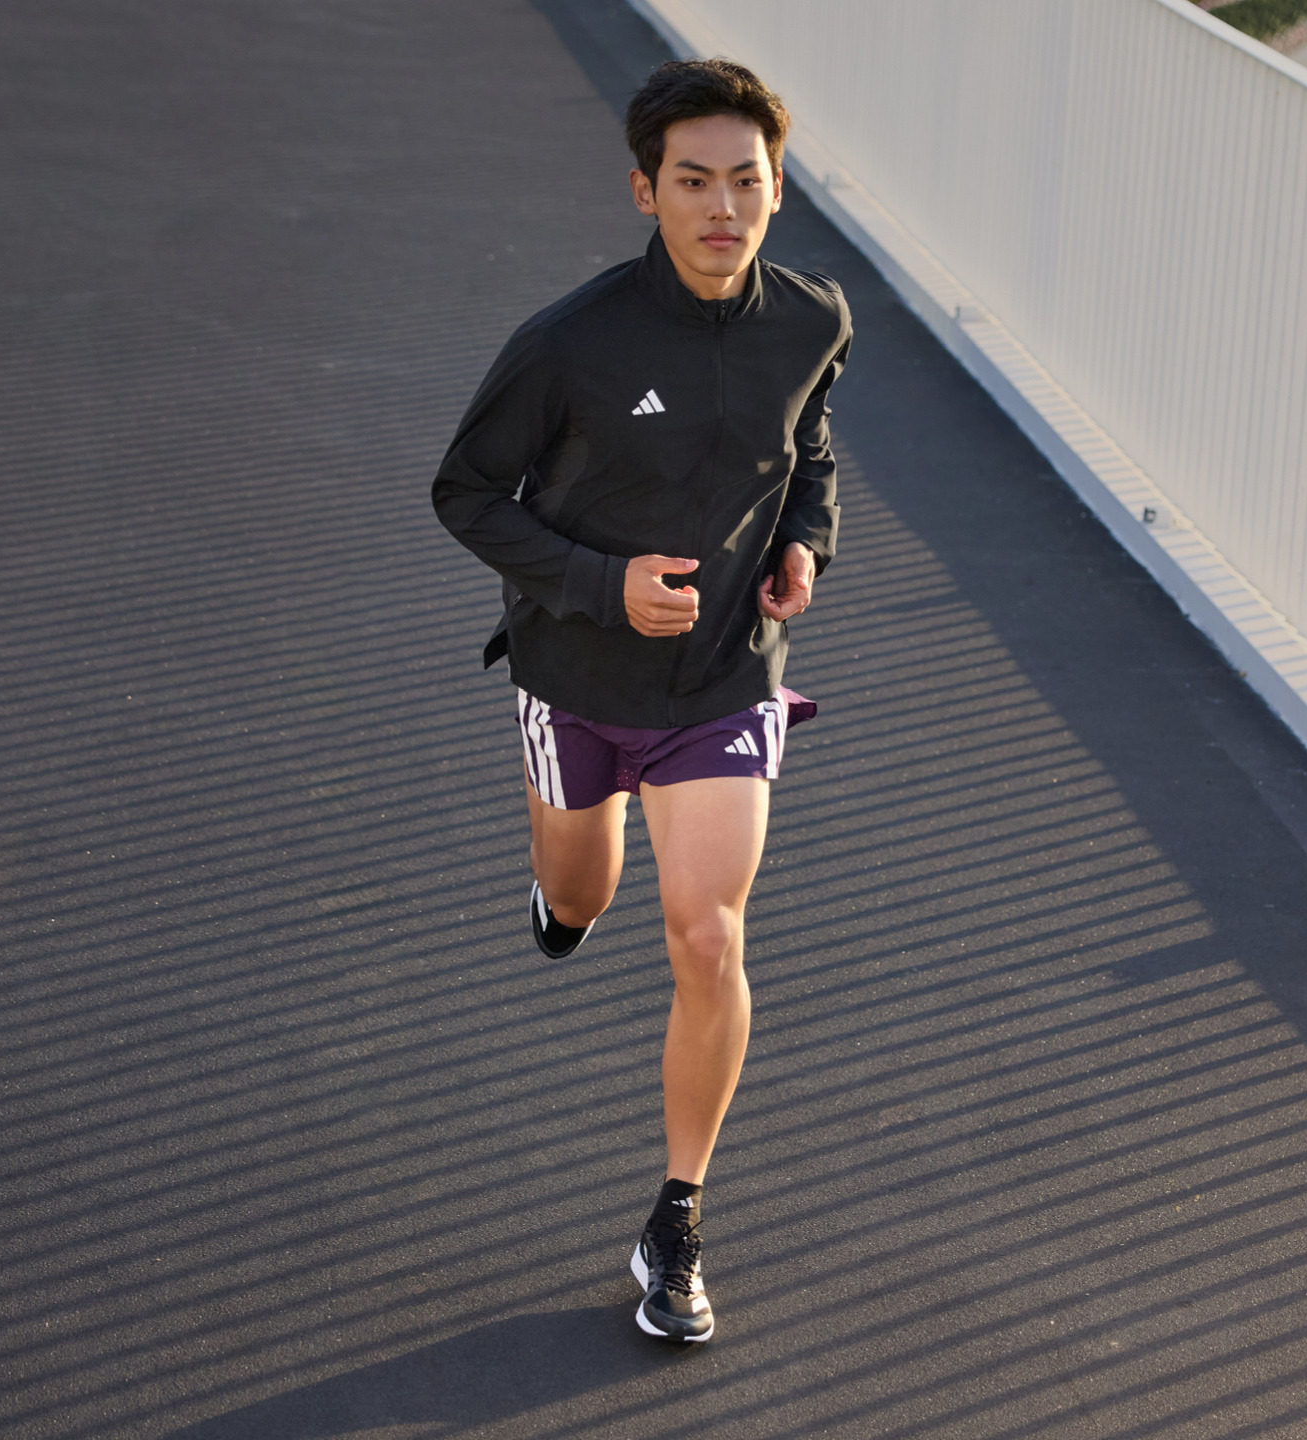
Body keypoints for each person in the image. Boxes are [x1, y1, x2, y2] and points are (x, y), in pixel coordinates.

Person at [432, 57, 849, 1343]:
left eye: (747, 181)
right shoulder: (568, 344)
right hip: (577, 675)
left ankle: (676, 1217)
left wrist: (805, 545)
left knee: (709, 935)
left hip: (724, 679)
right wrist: (599, 585)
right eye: (694, 181)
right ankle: (560, 896)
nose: (724, 207)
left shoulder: (813, 320)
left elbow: (809, 449)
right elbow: (465, 492)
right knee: (584, 895)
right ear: (645, 191)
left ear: (776, 188)